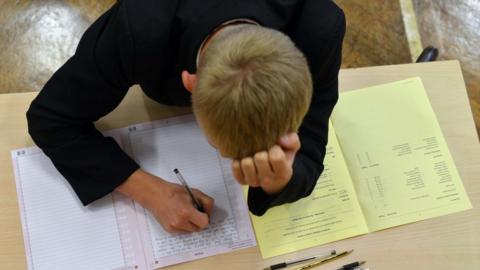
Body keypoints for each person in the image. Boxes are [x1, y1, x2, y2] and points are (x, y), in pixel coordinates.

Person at [26, 0, 346, 234]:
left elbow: (312, 140)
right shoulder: (139, 26)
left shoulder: (318, 27)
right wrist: (148, 190)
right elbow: (50, 118)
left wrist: (284, 179)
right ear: (189, 84)